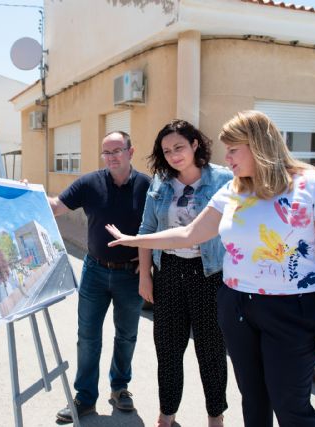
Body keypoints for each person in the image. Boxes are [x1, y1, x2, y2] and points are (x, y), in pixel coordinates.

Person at [105, 111, 315, 427]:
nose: (226, 157)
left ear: (259, 144)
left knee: (290, 405)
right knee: (254, 400)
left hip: (292, 309)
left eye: (233, 149)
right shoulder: (234, 189)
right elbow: (190, 233)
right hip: (236, 305)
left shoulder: (312, 185)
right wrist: (134, 240)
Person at [49, 131, 150, 423]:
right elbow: (56, 206)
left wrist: (147, 270)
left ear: (131, 152)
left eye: (117, 150)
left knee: (127, 335)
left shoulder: (146, 186)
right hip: (94, 271)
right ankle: (84, 398)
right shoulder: (90, 183)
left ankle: (120, 388)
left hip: (130, 275)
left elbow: (154, 229)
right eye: (106, 152)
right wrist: (27, 196)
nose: (111, 157)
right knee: (88, 337)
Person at [138, 120, 232, 427]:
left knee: (211, 350)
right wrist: (145, 275)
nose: (173, 155)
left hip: (210, 273)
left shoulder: (223, 179)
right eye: (166, 151)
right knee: (167, 347)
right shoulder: (160, 182)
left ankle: (215, 416)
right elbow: (147, 229)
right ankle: (167, 414)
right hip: (169, 271)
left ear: (195, 145)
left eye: (179, 146)